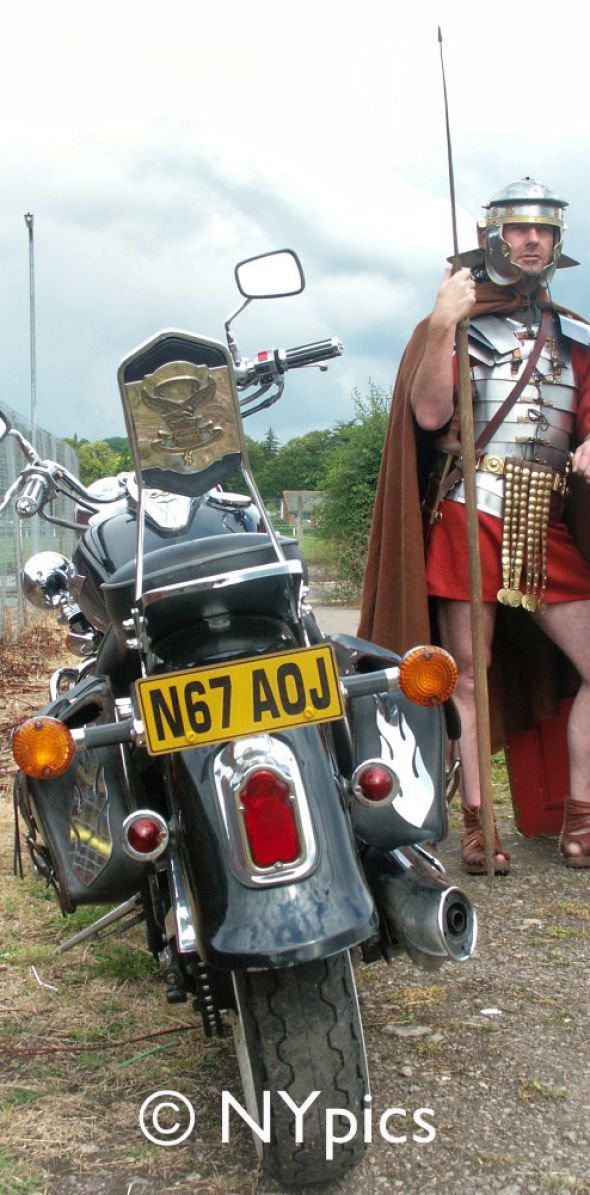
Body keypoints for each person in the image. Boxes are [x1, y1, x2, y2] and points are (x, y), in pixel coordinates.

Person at [358, 177, 590, 873]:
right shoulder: (456, 321)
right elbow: (430, 416)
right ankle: (480, 827)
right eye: (520, 230)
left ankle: (580, 820)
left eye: (544, 231)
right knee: (465, 676)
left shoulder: (575, 333)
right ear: (495, 237)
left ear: (556, 243)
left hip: (546, 517)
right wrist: (441, 323)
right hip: (474, 510)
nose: (532, 241)